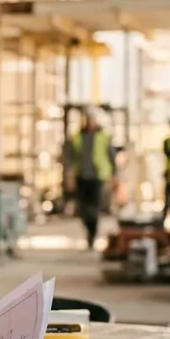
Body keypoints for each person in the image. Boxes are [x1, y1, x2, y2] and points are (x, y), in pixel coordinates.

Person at [63, 106, 118, 249]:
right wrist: (69, 174)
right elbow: (70, 157)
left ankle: (92, 235)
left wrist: (114, 175)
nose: (90, 122)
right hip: (81, 175)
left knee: (94, 207)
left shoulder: (103, 137)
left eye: (92, 119)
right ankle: (89, 229)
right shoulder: (77, 137)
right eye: (88, 119)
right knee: (83, 208)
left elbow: (111, 157)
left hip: (97, 177)